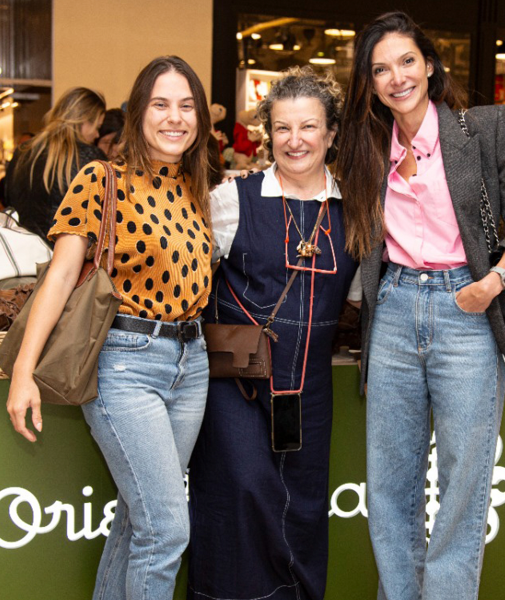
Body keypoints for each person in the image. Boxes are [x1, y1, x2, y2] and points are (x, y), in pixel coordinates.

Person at [336, 12, 505, 600]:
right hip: (394, 309)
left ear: (429, 65)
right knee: (390, 482)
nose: (397, 77)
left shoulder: (483, 128)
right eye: (381, 69)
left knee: (463, 482)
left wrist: (495, 281)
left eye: (407, 61)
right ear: (370, 83)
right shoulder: (364, 146)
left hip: (467, 309)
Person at [6, 55, 213, 600]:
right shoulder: (102, 178)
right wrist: (24, 372)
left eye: (186, 106)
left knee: (136, 521)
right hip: (126, 362)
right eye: (161, 104)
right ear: (137, 113)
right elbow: (60, 277)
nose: (175, 117)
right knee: (165, 531)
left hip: (191, 365)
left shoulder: (194, 188)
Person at [187, 66, 359, 600]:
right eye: (282, 128)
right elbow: (188, 279)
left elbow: (360, 298)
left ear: (331, 133)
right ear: (269, 134)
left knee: (303, 507)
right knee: (240, 493)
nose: (295, 140)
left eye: (308, 127)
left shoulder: (356, 211)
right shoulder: (231, 200)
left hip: (309, 390)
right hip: (236, 383)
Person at [4, 87, 106, 239]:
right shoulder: (90, 157)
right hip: (65, 250)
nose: (97, 135)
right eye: (97, 127)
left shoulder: (23, 151)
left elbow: (7, 198)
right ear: (83, 120)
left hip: (22, 247)